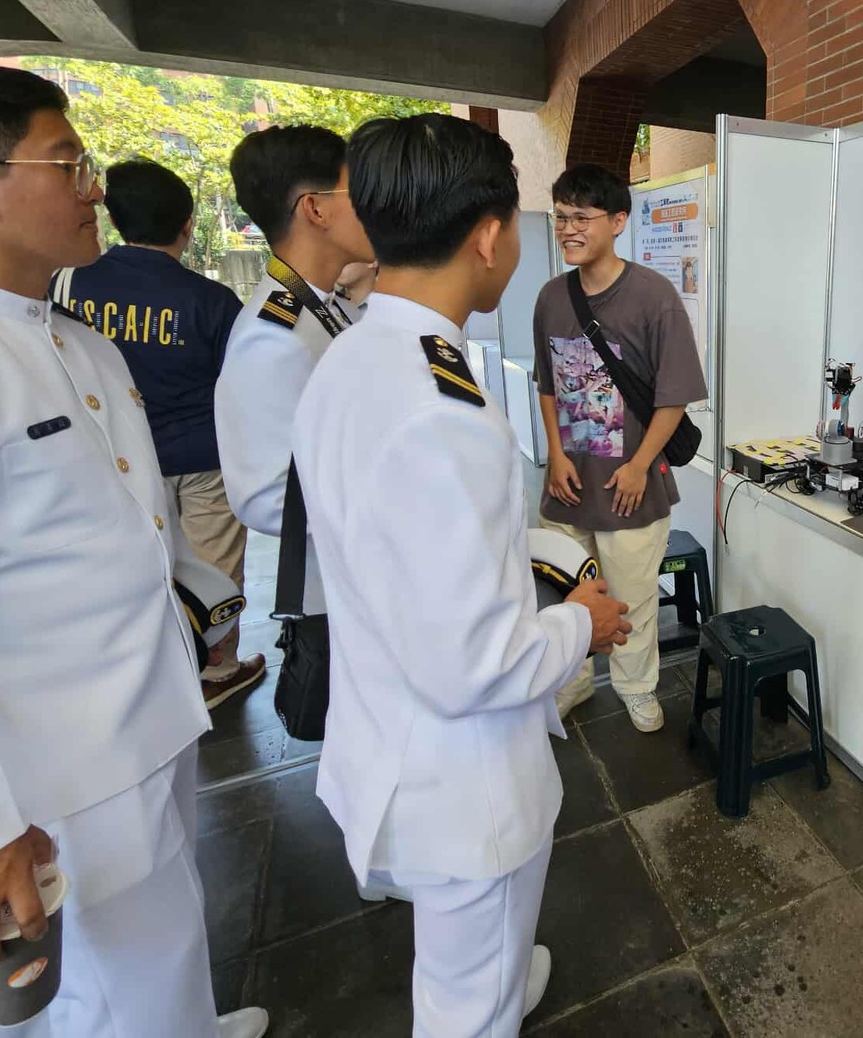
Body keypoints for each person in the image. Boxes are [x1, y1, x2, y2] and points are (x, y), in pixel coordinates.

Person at [0, 64, 266, 1038]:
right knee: (84, 1005)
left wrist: (194, 596)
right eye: (66, 163)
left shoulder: (82, 343)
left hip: (143, 730)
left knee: (161, 961)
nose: (94, 185)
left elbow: (108, 527)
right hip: (33, 789)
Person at [292, 114, 631, 1038]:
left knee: (474, 963)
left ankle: (502, 977)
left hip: (390, 730)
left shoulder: (355, 353)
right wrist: (582, 624)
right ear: (488, 234)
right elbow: (473, 662)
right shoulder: (441, 404)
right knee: (465, 1007)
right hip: (457, 778)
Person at [52, 159, 262, 708]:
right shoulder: (212, 301)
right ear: (188, 223)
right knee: (214, 565)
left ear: (115, 219)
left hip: (113, 455)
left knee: (137, 567)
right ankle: (218, 667)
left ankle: (154, 670)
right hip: (202, 455)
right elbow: (240, 391)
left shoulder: (67, 286)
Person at [534, 164, 707, 732]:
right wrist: (556, 455)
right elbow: (548, 386)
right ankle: (572, 681)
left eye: (581, 217)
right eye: (561, 217)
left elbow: (674, 395)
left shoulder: (653, 296)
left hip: (631, 485)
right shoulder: (550, 297)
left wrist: (637, 466)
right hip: (568, 481)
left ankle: (637, 687)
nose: (568, 229)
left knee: (632, 596)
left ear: (617, 222)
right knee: (563, 593)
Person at [215, 124, 374, 684]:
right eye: (359, 192)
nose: (374, 206)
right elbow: (263, 497)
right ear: (315, 209)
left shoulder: (320, 305)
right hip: (337, 589)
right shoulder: (275, 334)